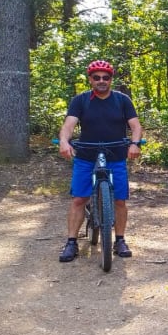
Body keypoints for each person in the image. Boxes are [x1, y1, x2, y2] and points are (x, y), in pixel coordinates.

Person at [57, 60, 143, 263]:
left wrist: (135, 143)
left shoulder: (122, 100)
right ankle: (71, 242)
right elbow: (69, 125)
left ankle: (120, 240)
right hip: (86, 154)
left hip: (115, 154)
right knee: (79, 199)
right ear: (90, 79)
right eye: (97, 78)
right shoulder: (81, 100)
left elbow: (136, 126)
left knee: (120, 200)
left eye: (106, 77)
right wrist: (64, 141)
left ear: (111, 79)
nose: (102, 81)